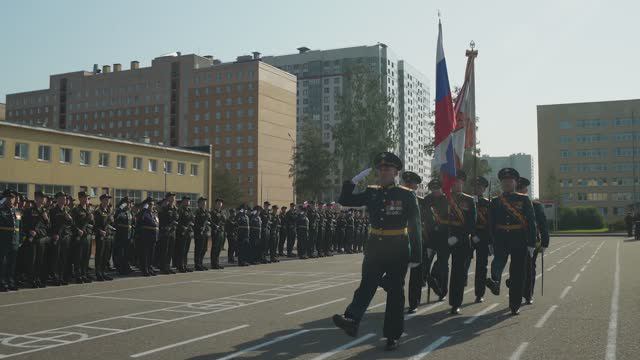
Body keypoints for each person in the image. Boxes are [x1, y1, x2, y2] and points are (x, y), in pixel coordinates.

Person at [332, 152, 422, 351]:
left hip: (398, 248)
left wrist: (416, 255)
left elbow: (415, 226)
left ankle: (392, 335)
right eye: (380, 169)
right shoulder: (372, 192)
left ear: (396, 172)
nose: (383, 172)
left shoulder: (406, 194)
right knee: (366, 285)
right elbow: (345, 200)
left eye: (387, 169)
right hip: (374, 247)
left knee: (395, 293)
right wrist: (352, 181)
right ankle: (352, 319)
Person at [485, 168, 537, 315]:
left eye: (510, 181)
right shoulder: (495, 201)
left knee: (518, 273)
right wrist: (490, 241)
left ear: (515, 182)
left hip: (519, 238)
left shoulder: (524, 199)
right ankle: (495, 283)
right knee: (497, 264)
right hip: (501, 238)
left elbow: (531, 222)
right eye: (504, 181)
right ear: (501, 183)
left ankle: (515, 304)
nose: (507, 183)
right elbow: (491, 222)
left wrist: (532, 243)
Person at [446, 170, 477, 315]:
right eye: (453, 181)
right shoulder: (444, 198)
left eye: (459, 181)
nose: (456, 184)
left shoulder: (469, 200)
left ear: (462, 182)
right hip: (444, 238)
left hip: (461, 240)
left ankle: (455, 303)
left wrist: (458, 237)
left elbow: (471, 223)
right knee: (440, 269)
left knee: (458, 272)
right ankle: (439, 289)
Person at [518, 177, 550, 305]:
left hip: (533, 241)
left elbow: (543, 225)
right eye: (518, 189)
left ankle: (528, 294)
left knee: (530, 267)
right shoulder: (509, 205)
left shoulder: (535, 205)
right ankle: (517, 292)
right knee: (516, 268)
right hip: (516, 241)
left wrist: (545, 243)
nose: (520, 191)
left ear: (526, 190)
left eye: (522, 189)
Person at [401, 171, 428, 314]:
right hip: (400, 241)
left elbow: (428, 222)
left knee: (416, 275)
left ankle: (413, 302)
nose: (409, 187)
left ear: (416, 186)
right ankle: (397, 301)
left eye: (412, 185)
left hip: (418, 241)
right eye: (407, 184)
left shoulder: (422, 202)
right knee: (398, 275)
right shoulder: (397, 199)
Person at [423, 179, 449, 301]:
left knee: (443, 265)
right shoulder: (427, 200)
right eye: (433, 189)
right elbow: (424, 216)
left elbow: (451, 218)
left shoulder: (447, 200)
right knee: (425, 264)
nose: (435, 191)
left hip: (444, 238)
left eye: (437, 188)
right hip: (430, 237)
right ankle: (431, 280)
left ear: (441, 188)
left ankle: (442, 291)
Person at [469, 176, 491, 303]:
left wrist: (486, 239)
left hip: (482, 237)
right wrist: (472, 234)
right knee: (463, 265)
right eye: (475, 187)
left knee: (481, 267)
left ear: (484, 189)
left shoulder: (488, 203)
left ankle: (479, 293)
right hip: (469, 236)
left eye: (480, 187)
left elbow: (490, 224)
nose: (478, 189)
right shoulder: (467, 201)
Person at [49, 192, 73, 285]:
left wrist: (69, 218)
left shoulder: (67, 210)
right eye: (62, 198)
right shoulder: (53, 210)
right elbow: (49, 225)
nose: (64, 200)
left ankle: (61, 277)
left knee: (63, 258)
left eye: (65, 198)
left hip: (65, 236)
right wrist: (53, 234)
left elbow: (71, 224)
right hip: (57, 236)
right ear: (58, 199)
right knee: (56, 258)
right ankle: (55, 277)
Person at [71, 191, 94, 284]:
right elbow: (72, 223)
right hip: (79, 236)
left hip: (88, 236)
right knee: (78, 257)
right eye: (84, 197)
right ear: (80, 198)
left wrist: (92, 219)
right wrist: (77, 230)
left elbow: (92, 224)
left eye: (87, 198)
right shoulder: (76, 210)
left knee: (86, 257)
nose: (86, 199)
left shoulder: (89, 210)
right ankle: (78, 276)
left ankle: (84, 275)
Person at [0, 189, 21, 291]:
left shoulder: (17, 211)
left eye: (12, 198)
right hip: (4, 240)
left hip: (14, 240)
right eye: (8, 197)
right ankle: (2, 282)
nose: (10, 200)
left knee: (12, 263)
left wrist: (19, 240)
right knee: (3, 263)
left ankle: (10, 281)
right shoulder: (1, 210)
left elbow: (19, 226)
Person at [94, 194, 115, 281]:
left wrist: (112, 225)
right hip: (101, 236)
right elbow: (94, 225)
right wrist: (99, 231)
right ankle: (98, 273)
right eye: (106, 199)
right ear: (101, 200)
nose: (107, 201)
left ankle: (103, 272)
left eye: (108, 200)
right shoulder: (98, 211)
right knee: (100, 255)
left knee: (106, 255)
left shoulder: (108, 211)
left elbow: (109, 224)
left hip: (108, 235)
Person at [137, 197, 159, 276]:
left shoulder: (153, 213)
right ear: (146, 205)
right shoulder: (143, 213)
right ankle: (145, 269)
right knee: (145, 254)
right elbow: (140, 220)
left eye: (153, 204)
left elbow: (156, 224)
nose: (151, 206)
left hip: (153, 236)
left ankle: (150, 268)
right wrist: (144, 208)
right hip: (146, 236)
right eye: (150, 204)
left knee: (151, 254)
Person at [158, 193, 179, 274]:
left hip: (172, 232)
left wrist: (175, 223)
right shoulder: (164, 208)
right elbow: (161, 219)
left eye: (174, 198)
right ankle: (163, 267)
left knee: (170, 250)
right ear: (168, 199)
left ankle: (168, 266)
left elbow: (177, 218)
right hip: (166, 232)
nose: (173, 199)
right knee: (165, 250)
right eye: (171, 198)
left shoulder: (175, 209)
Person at [113, 197, 134, 275]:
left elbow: (132, 224)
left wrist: (132, 236)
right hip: (120, 235)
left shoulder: (129, 212)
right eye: (127, 203)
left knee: (126, 253)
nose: (128, 204)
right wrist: (120, 207)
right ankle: (120, 268)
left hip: (128, 235)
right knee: (120, 253)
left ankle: (126, 267)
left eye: (129, 203)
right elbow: (116, 218)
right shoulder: (119, 211)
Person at [176, 196, 194, 272]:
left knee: (186, 250)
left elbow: (192, 220)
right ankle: (180, 266)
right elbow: (178, 221)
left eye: (188, 201)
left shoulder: (189, 210)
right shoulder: (180, 210)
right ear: (183, 201)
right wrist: (183, 227)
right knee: (181, 250)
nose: (187, 202)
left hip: (188, 233)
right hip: (182, 232)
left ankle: (185, 265)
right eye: (186, 201)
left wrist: (191, 224)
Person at [193, 197, 212, 271]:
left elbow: (210, 221)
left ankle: (200, 263)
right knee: (198, 249)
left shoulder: (206, 212)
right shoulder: (197, 212)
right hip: (199, 233)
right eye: (202, 202)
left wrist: (208, 223)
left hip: (205, 233)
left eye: (205, 202)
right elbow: (195, 222)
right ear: (199, 204)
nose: (204, 204)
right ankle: (197, 264)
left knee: (204, 249)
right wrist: (200, 227)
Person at [210, 198, 226, 269]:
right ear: (216, 204)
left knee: (219, 248)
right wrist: (215, 226)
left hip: (221, 231)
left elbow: (224, 221)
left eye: (221, 203)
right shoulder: (213, 212)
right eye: (218, 203)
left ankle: (217, 263)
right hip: (215, 231)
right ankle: (213, 264)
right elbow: (211, 221)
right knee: (215, 248)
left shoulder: (222, 212)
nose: (220, 204)